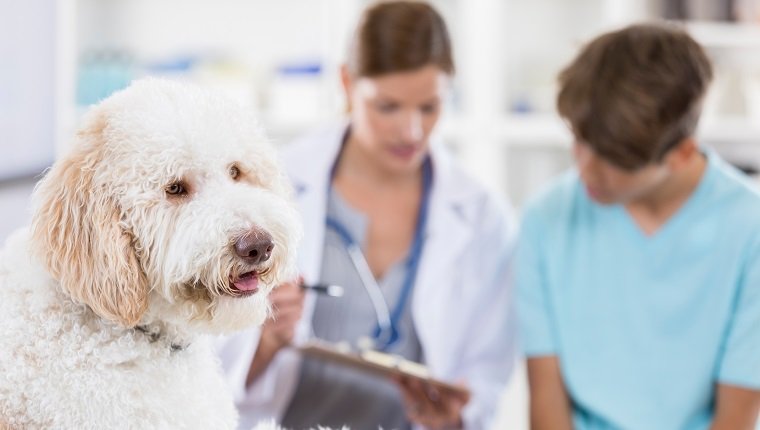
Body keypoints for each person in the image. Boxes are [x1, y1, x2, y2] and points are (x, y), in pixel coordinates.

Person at [216, 2, 517, 429]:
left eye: (429, 107)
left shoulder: (483, 217)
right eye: (388, 107)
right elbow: (213, 376)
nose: (411, 131)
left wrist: (455, 418)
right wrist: (266, 340)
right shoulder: (272, 187)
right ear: (347, 82)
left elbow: (486, 378)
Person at [516, 22, 760, 430]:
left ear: (681, 153)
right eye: (580, 140)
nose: (585, 168)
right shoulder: (546, 218)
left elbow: (736, 416)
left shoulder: (749, 228)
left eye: (611, 160)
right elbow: (546, 398)